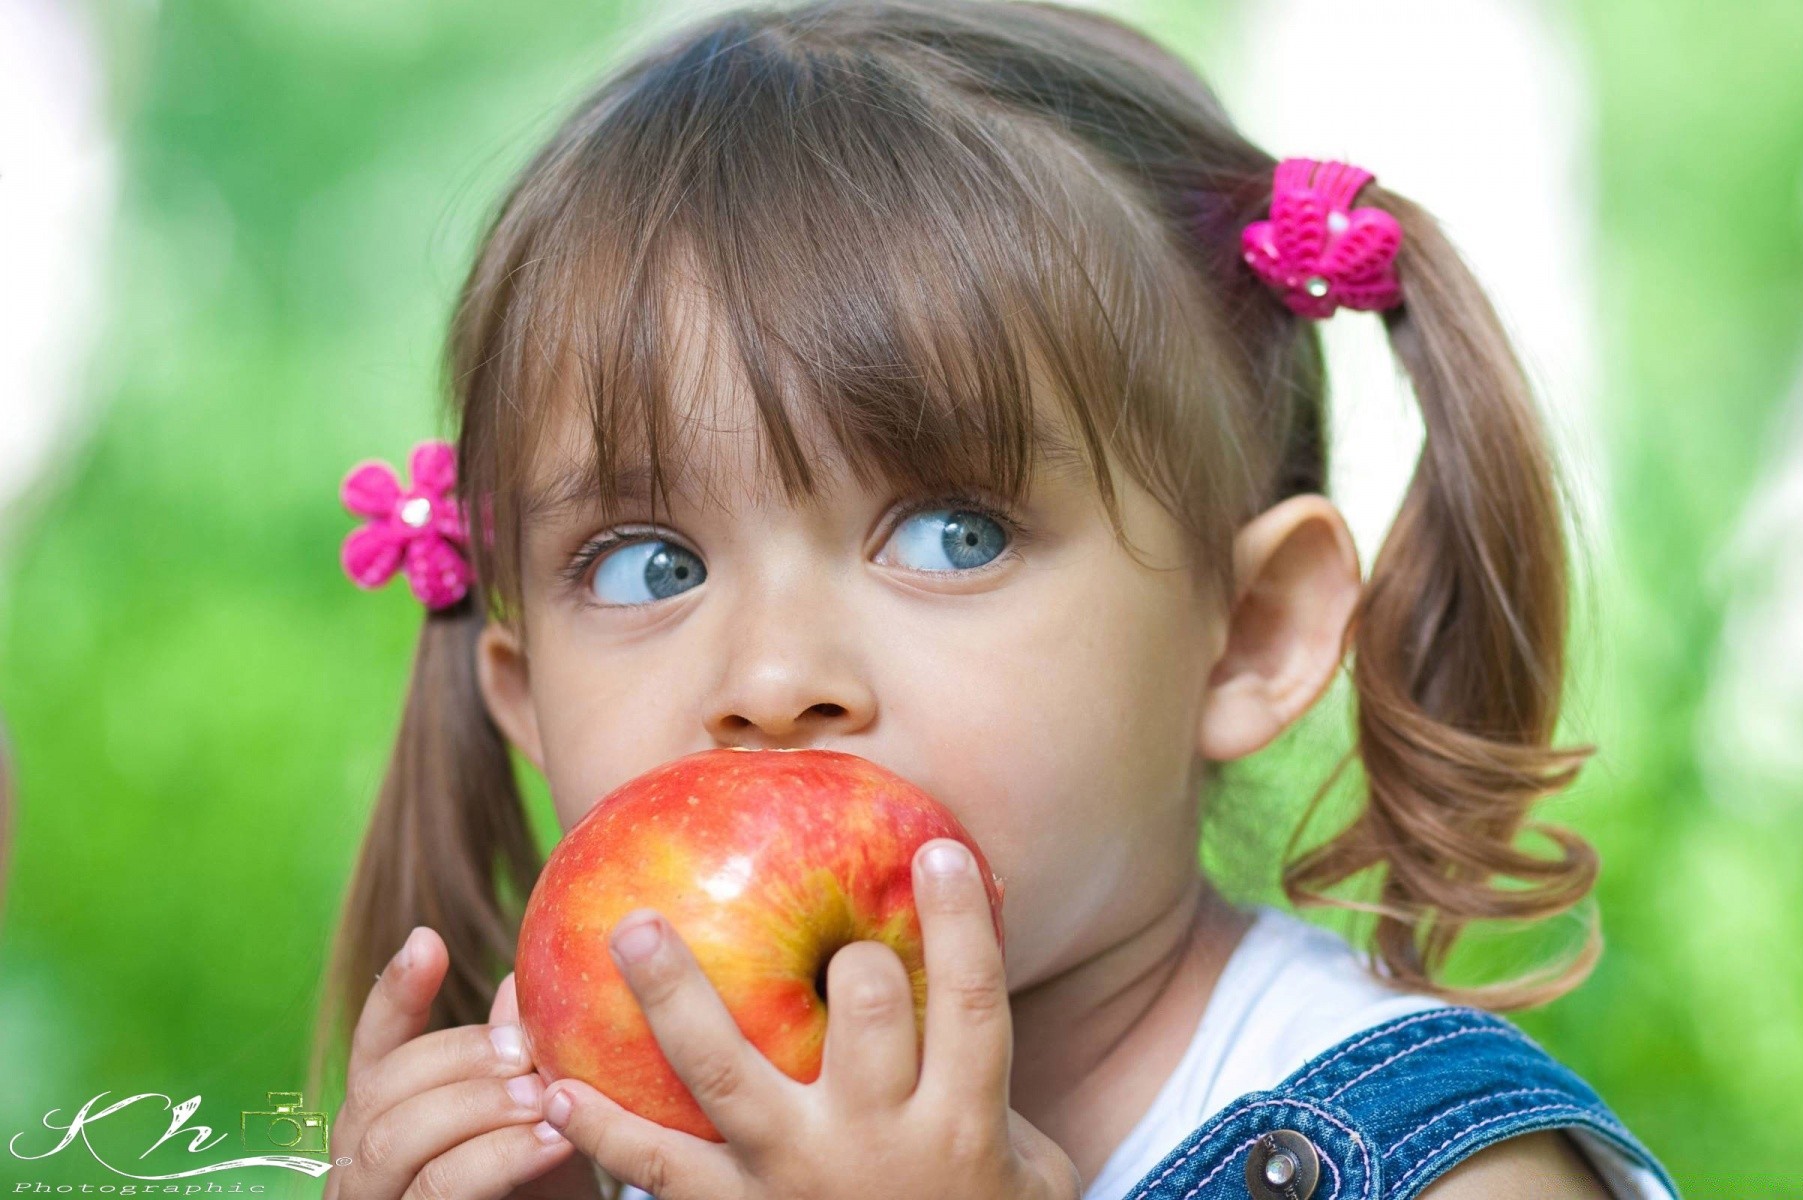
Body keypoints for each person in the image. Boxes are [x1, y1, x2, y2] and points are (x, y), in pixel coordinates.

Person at [309, 2, 1683, 1198]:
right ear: (526, 700)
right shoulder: (615, 1139)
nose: (775, 676)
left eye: (953, 534)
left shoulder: (1442, 1166)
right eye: (647, 566)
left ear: (1252, 633)